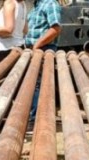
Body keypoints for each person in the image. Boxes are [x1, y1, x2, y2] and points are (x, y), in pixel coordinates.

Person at [24, 0, 62, 129]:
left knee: (38, 84)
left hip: (44, 49)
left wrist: (37, 44)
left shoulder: (50, 4)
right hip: (36, 49)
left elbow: (55, 28)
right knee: (34, 83)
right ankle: (33, 117)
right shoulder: (36, 6)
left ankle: (35, 120)